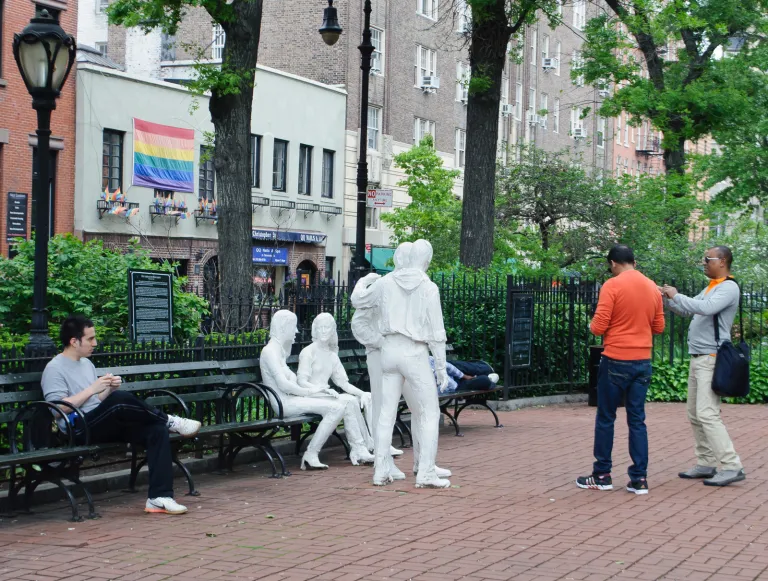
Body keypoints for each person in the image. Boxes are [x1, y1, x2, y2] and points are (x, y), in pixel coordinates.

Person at [41, 315, 201, 515]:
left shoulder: (86, 364)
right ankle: (169, 420)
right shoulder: (54, 368)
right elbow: (57, 409)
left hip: (99, 423)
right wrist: (93, 388)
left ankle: (159, 498)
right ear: (74, 341)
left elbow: (94, 403)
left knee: (155, 430)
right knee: (119, 400)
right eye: (90, 339)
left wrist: (106, 390)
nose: (95, 343)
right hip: (78, 428)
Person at [352, 239, 450, 488]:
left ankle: (380, 469)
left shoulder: (385, 283)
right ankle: (425, 471)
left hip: (389, 351)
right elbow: (437, 333)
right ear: (426, 260)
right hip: (414, 352)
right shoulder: (429, 287)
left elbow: (359, 300)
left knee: (386, 412)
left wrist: (363, 281)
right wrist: (440, 368)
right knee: (429, 411)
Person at [576, 245, 665, 495]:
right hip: (642, 360)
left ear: (613, 263)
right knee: (637, 420)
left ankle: (602, 474)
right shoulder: (652, 286)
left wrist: (595, 324)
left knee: (606, 418)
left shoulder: (612, 285)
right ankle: (639, 479)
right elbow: (658, 327)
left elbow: (598, 326)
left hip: (615, 358)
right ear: (634, 262)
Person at [661, 246, 746, 486]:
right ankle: (706, 462)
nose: (704, 263)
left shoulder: (729, 287)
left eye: (708, 259)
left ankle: (731, 465)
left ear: (723, 261)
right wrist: (667, 298)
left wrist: (676, 295)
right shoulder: (711, 287)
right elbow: (688, 310)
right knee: (694, 414)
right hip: (699, 357)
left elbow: (705, 308)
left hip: (711, 357)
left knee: (707, 414)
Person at [260, 310, 361, 470]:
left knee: (341, 403)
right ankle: (311, 453)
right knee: (335, 408)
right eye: (293, 327)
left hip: (293, 399)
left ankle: (357, 449)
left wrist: (320, 391)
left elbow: (292, 384)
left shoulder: (279, 352)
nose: (296, 331)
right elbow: (284, 385)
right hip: (284, 403)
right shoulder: (269, 352)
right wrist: (312, 392)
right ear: (282, 327)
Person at [296, 313, 375, 465]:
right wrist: (320, 389)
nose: (324, 331)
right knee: (347, 402)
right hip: (311, 396)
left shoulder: (332, 356)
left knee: (351, 400)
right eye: (321, 328)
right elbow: (301, 381)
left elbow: (343, 383)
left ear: (333, 331)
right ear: (315, 330)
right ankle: (359, 447)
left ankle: (359, 448)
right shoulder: (308, 352)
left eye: (328, 328)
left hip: (325, 397)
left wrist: (362, 393)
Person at [429, 357, 499, 393]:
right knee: (484, 380)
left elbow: (446, 366)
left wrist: (464, 376)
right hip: (455, 387)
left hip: (454, 370)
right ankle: (489, 380)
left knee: (484, 368)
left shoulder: (425, 358)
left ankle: (487, 371)